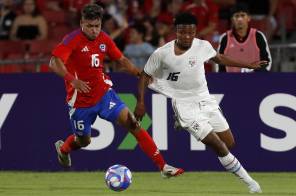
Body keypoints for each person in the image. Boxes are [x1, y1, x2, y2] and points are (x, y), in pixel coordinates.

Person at [134, 12, 267, 193]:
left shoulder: (203, 46)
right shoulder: (162, 53)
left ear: (196, 32)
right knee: (218, 145)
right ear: (176, 31)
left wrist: (248, 65)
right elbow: (145, 75)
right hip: (183, 104)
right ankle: (251, 183)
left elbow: (220, 58)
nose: (187, 36)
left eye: (191, 33)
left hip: (205, 99)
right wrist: (140, 102)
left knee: (229, 143)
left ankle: (181, 123)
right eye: (183, 32)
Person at [49, 3, 184, 178]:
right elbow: (54, 62)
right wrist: (72, 80)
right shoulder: (72, 40)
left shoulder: (104, 39)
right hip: (80, 102)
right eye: (89, 26)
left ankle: (163, 167)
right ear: (82, 22)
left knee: (133, 123)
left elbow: (121, 59)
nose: (94, 30)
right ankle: (64, 149)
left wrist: (139, 73)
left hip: (104, 94)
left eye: (97, 26)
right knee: (84, 140)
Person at [217, 3, 272, 72]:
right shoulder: (225, 38)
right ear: (232, 19)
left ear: (248, 18)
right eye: (236, 16)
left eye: (243, 15)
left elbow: (266, 62)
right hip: (232, 80)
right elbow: (220, 62)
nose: (240, 19)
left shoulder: (258, 36)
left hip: (254, 79)